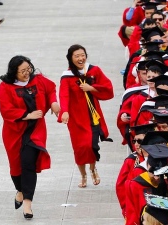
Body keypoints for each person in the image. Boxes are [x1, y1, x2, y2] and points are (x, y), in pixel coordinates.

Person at [0, 55, 60, 219]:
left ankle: (27, 205)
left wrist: (53, 103)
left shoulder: (38, 80)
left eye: (28, 68)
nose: (27, 73)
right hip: (14, 132)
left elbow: (51, 89)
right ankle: (19, 190)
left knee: (28, 164)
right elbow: (6, 110)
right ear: (14, 72)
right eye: (22, 71)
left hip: (35, 132)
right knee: (16, 168)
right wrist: (28, 115)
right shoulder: (5, 87)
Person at [58, 44, 114, 188]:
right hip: (76, 117)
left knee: (90, 145)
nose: (80, 58)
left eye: (82, 55)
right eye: (76, 56)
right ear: (70, 59)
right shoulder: (67, 76)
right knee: (80, 147)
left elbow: (108, 88)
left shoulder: (94, 70)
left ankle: (92, 169)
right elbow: (63, 95)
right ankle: (83, 175)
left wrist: (92, 88)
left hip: (92, 115)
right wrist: (64, 111)